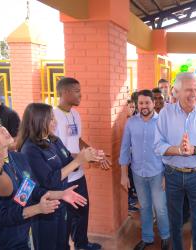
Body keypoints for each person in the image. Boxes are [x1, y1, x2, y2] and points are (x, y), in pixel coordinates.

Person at [0, 115, 87, 250]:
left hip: (24, 236)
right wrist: (37, 209)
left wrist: (60, 194)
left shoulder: (18, 158)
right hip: (4, 242)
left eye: (0, 125)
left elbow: (31, 190)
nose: (3, 129)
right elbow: (1, 215)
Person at [16, 103, 102, 250]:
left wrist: (88, 157)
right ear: (38, 121)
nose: (54, 122)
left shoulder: (54, 140)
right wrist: (78, 161)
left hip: (62, 202)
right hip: (45, 209)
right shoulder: (29, 149)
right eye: (50, 119)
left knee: (63, 243)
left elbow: (68, 161)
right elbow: (50, 180)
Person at [154, 72, 196, 250]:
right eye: (189, 90)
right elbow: (158, 145)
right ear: (176, 91)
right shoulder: (165, 114)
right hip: (173, 174)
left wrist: (194, 150)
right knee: (175, 221)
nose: (194, 94)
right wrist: (179, 150)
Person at [53, 77, 110, 250]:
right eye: (77, 91)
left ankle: (82, 244)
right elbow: (53, 150)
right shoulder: (52, 116)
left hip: (78, 174)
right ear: (65, 92)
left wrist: (91, 152)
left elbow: (77, 140)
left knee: (81, 212)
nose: (81, 95)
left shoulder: (75, 114)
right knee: (65, 219)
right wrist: (84, 157)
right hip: (62, 177)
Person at [120, 90, 170, 250]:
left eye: (147, 103)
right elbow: (125, 148)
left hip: (158, 173)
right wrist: (123, 175)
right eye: (141, 103)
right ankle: (147, 238)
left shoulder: (162, 122)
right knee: (145, 206)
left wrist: (166, 176)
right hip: (138, 173)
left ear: (153, 103)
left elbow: (168, 150)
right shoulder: (131, 122)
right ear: (137, 104)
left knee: (160, 207)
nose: (144, 106)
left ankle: (165, 237)